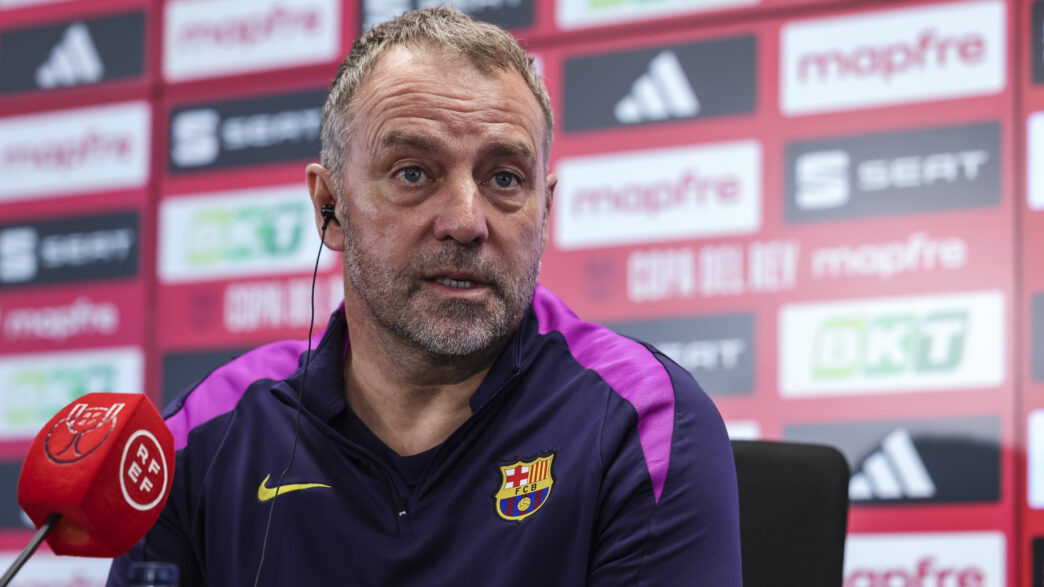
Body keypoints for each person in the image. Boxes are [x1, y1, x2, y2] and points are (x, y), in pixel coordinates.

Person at [108, 7, 742, 585]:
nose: (467, 220)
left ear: (545, 211)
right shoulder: (199, 439)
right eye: (414, 173)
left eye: (504, 178)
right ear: (330, 207)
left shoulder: (644, 421)